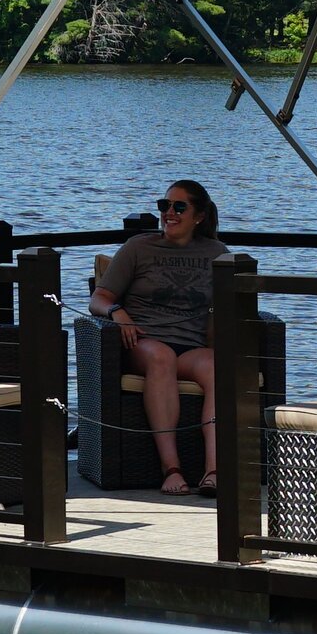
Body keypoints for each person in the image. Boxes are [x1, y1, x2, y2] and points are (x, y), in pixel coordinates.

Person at [89, 180, 228, 495]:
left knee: (218, 366)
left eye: (180, 207)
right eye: (165, 206)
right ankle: (172, 469)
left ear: (199, 216)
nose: (170, 213)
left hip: (190, 346)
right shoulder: (139, 247)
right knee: (161, 357)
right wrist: (117, 313)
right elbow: (99, 297)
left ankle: (214, 470)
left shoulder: (216, 253)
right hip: (143, 342)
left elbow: (225, 308)